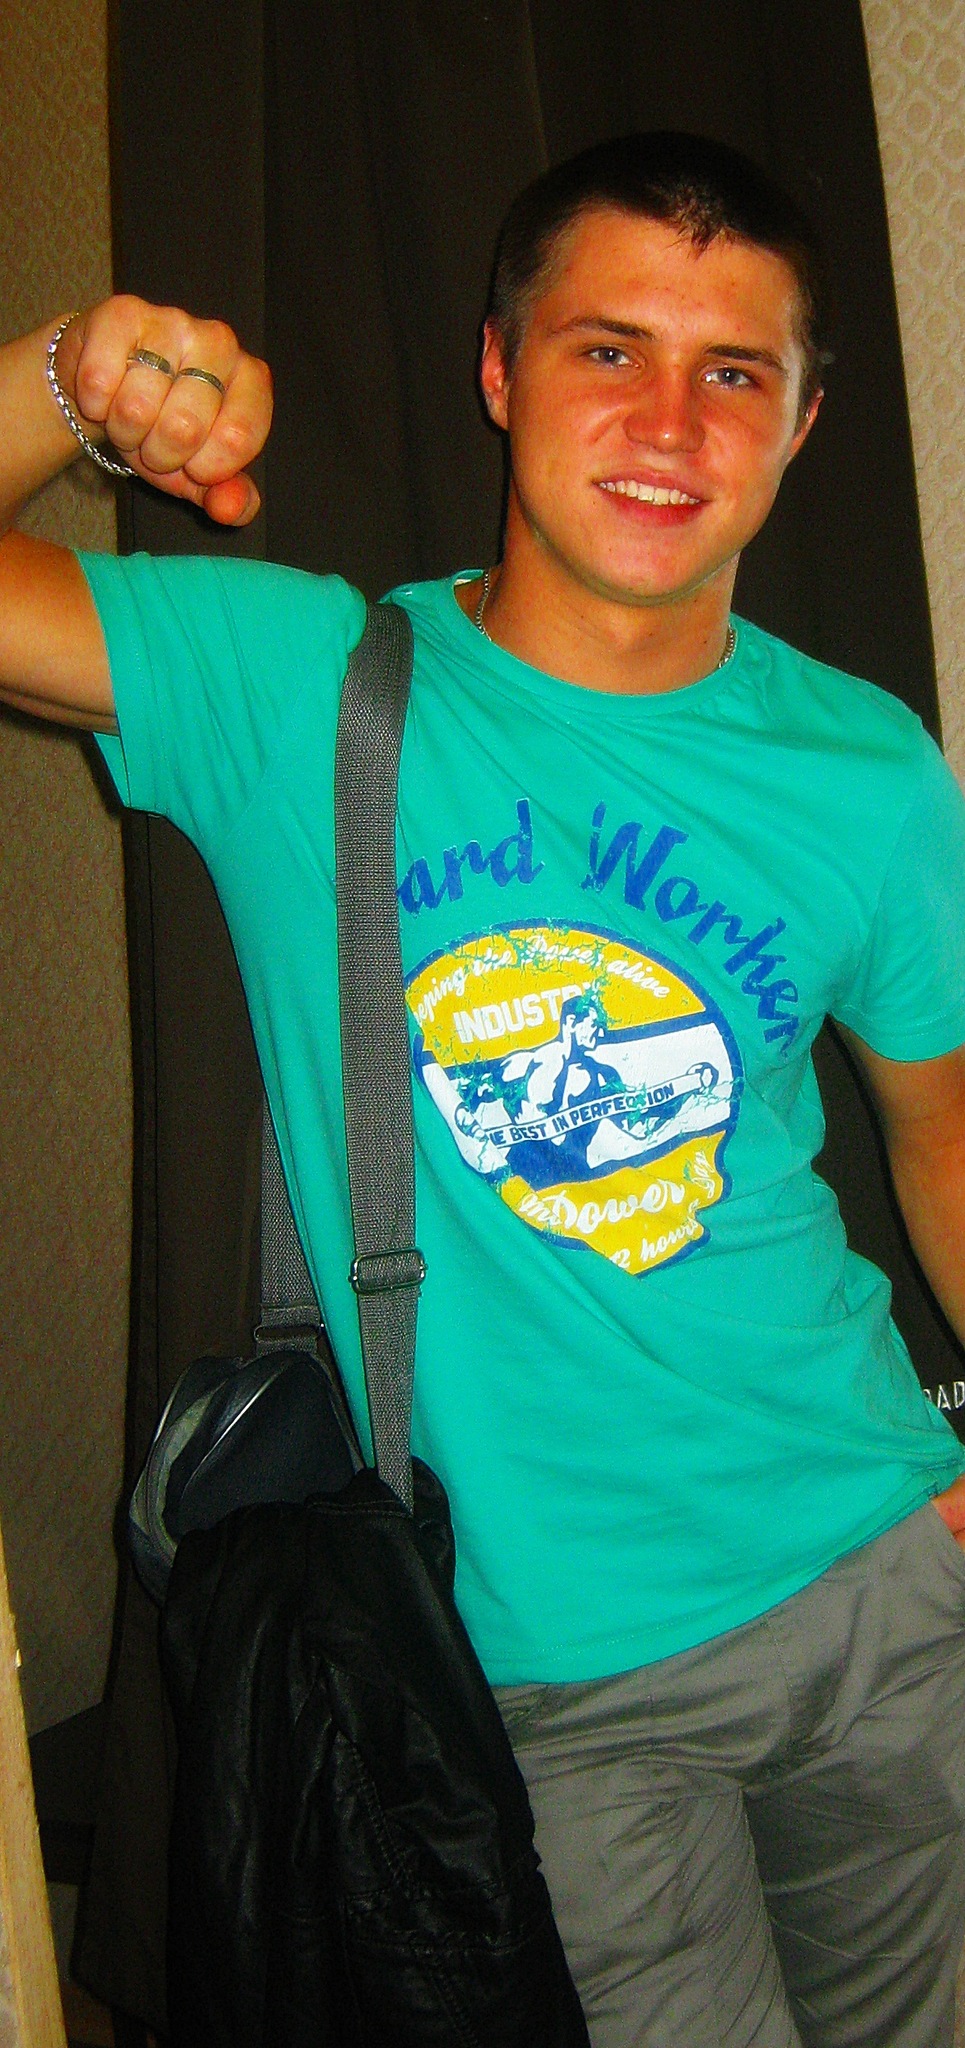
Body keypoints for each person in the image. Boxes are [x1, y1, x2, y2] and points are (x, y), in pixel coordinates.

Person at [3, 132, 965, 2048]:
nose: (670, 424)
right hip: (545, 1675)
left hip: (875, 1578)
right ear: (499, 370)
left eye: (734, 372)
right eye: (608, 350)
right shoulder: (301, 681)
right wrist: (63, 384)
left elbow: (938, 1130)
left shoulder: (867, 765)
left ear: (799, 424)